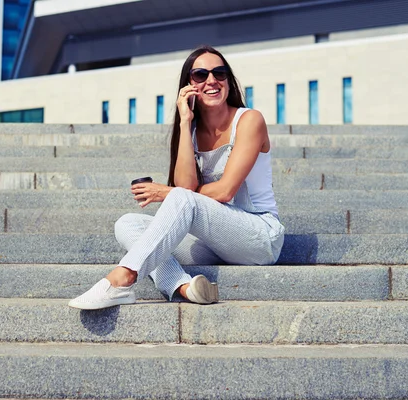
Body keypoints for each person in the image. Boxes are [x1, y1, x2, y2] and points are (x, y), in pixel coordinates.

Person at [68, 45, 285, 310]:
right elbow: (186, 187)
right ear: (188, 85)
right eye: (200, 75)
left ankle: (121, 279)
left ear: (228, 81)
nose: (211, 81)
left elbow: (225, 191)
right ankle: (183, 286)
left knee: (180, 199)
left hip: (259, 237)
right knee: (128, 224)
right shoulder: (191, 132)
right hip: (216, 240)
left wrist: (165, 193)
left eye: (219, 73)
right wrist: (185, 121)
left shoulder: (249, 120)